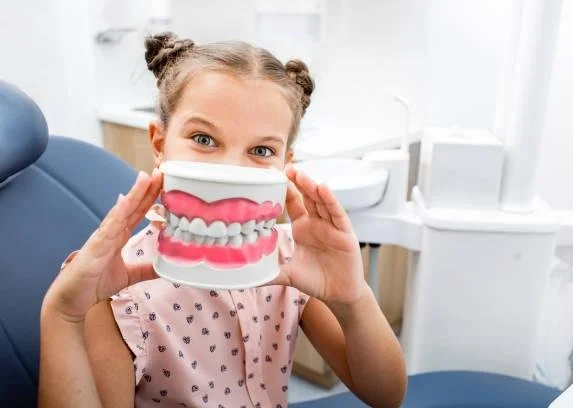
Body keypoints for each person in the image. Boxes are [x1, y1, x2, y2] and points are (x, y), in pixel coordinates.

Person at [38, 32, 406, 408]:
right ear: (159, 144)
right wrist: (63, 314)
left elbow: (386, 396)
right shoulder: (116, 295)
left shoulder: (292, 261)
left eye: (261, 150)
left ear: (285, 165)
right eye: (204, 139)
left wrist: (354, 298)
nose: (230, 173)